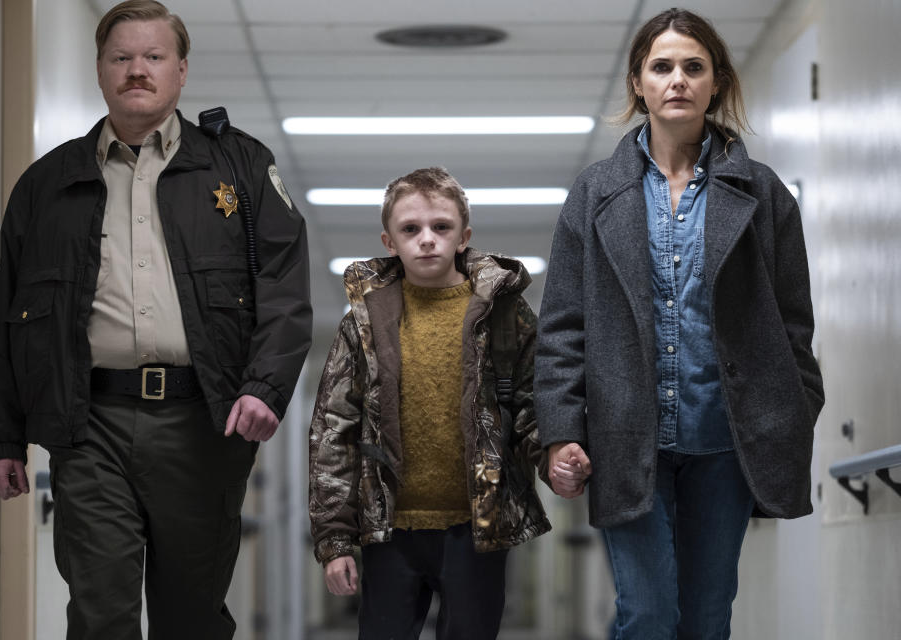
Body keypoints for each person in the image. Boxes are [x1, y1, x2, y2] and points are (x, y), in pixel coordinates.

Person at [0, 1, 311, 638]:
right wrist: (0, 438)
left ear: (181, 71)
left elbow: (285, 289)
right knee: (101, 608)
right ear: (100, 70)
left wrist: (264, 388)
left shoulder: (237, 166)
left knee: (191, 615)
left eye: (153, 57)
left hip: (202, 423)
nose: (137, 70)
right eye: (121, 58)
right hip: (89, 422)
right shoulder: (48, 184)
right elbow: (8, 318)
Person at [536, 8, 824, 638]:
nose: (677, 80)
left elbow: (793, 326)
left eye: (694, 68)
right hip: (626, 438)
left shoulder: (764, 193)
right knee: (647, 614)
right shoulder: (595, 194)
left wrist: (793, 410)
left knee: (705, 618)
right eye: (661, 67)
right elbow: (560, 330)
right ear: (638, 82)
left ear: (715, 82)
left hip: (725, 440)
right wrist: (561, 430)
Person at [308, 167, 550, 639]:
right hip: (391, 529)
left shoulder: (504, 315)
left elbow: (532, 405)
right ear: (389, 241)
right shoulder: (364, 324)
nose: (427, 240)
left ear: (464, 237)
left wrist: (555, 457)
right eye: (410, 229)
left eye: (441, 227)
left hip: (476, 528)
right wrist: (335, 539)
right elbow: (334, 429)